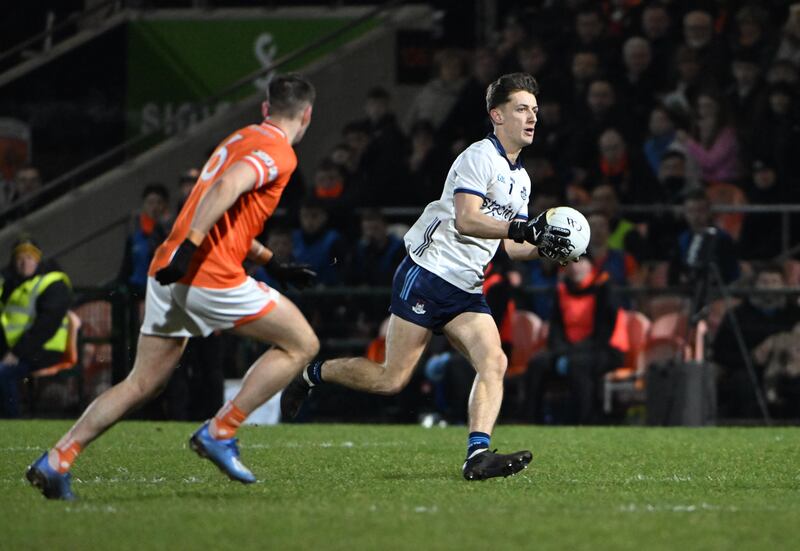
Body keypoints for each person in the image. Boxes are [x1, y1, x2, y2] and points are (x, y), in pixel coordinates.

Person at [26, 74, 320, 500]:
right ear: (307, 114)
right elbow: (227, 187)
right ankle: (222, 429)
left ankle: (58, 459)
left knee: (142, 383)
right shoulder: (280, 152)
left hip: (168, 271)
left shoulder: (238, 137)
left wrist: (271, 261)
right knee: (302, 344)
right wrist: (193, 247)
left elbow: (221, 206)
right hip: (207, 274)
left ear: (264, 108)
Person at [281, 73, 575, 481]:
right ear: (497, 115)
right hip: (428, 273)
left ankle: (477, 456)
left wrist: (548, 247)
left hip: (466, 287)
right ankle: (311, 374)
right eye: (522, 109)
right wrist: (523, 229)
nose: (532, 118)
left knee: (494, 361)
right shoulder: (479, 156)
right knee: (390, 380)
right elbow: (468, 219)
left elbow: (508, 245)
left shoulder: (521, 178)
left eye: (535, 111)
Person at [524, 256, 626, 424]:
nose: (574, 267)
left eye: (579, 261)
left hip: (605, 350)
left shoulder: (604, 288)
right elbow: (556, 328)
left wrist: (572, 352)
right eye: (570, 262)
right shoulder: (562, 290)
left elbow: (604, 333)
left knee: (577, 365)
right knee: (537, 363)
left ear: (590, 265)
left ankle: (584, 421)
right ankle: (531, 420)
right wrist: (561, 350)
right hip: (569, 349)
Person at [0, 237, 72, 417]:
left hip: (44, 349)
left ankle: (10, 422)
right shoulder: (9, 285)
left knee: (3, 372)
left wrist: (16, 353)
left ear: (38, 260)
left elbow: (46, 326)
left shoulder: (52, 284)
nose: (24, 263)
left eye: (30, 257)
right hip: (14, 350)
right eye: (19, 258)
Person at [117, 183, 171, 298]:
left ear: (165, 206)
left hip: (159, 291)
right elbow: (126, 265)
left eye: (159, 203)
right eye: (150, 203)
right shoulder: (135, 237)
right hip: (137, 291)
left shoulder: (170, 235)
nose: (154, 207)